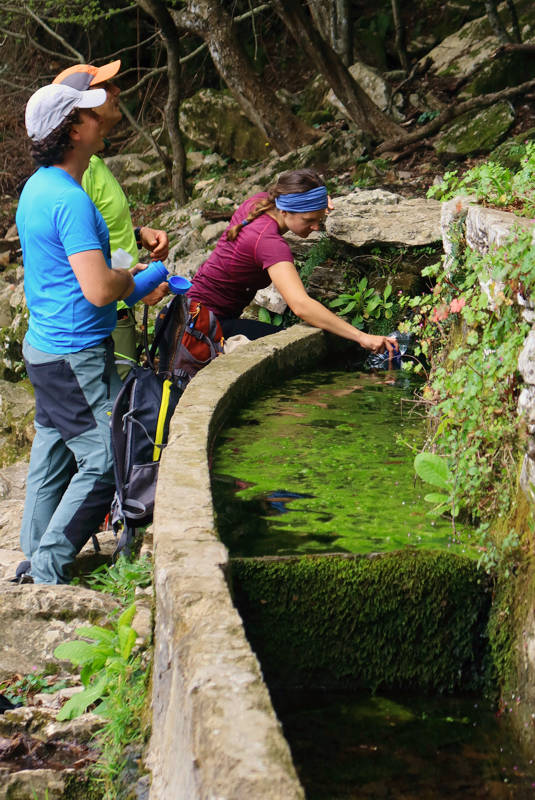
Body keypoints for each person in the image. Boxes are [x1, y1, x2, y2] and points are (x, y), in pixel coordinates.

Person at [14, 83, 163, 584]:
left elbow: (72, 273)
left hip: (44, 348)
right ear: (74, 130)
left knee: (53, 452)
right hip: (75, 354)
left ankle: (31, 559)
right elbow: (100, 289)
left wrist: (132, 277)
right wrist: (136, 280)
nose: (103, 115)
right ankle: (48, 569)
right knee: (105, 460)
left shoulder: (37, 187)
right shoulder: (69, 200)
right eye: (91, 112)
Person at [188, 168, 398, 355]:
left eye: (319, 219)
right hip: (198, 330)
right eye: (309, 220)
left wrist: (318, 199)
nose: (316, 227)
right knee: (296, 352)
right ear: (285, 210)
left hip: (190, 312)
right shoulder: (268, 242)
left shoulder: (261, 202)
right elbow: (301, 306)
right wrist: (362, 337)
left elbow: (297, 194)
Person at [53, 60, 169, 378]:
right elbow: (72, 251)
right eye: (104, 88)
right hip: (105, 317)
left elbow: (90, 232)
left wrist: (137, 232)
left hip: (117, 306)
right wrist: (132, 288)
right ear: (80, 111)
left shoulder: (93, 163)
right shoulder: (77, 174)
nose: (116, 90)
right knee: (117, 415)